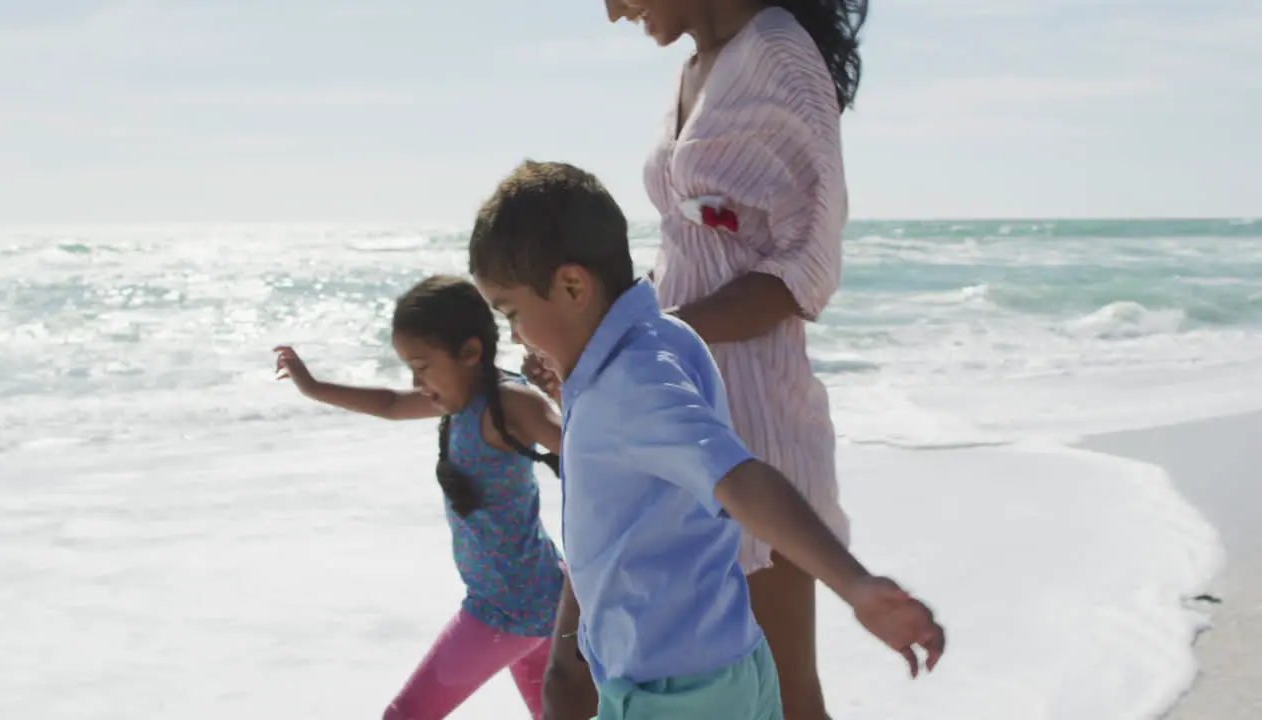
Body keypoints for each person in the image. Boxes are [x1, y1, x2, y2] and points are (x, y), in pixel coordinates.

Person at [474, 160, 943, 720]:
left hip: (672, 693)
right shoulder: (664, 340)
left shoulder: (629, 386)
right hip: (731, 665)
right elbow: (644, 461)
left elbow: (738, 476)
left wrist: (856, 586)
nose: (514, 334)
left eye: (513, 313)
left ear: (573, 286)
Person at [519, 2, 868, 716]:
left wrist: (646, 341)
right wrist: (594, 347)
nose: (613, 11)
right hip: (671, 416)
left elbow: (808, 263)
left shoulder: (778, 56)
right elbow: (691, 256)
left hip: (750, 426)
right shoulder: (695, 66)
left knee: (788, 700)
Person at [273, 275, 596, 720]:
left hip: (506, 610)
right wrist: (312, 386)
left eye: (422, 366)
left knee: (405, 716)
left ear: (469, 352)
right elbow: (389, 403)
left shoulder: (508, 403)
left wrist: (566, 388)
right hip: (534, 599)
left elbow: (588, 446)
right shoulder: (457, 402)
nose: (416, 380)